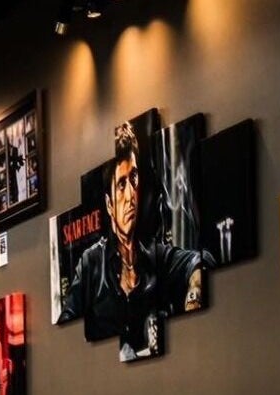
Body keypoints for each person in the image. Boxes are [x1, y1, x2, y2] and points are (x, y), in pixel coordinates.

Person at [63, 120, 212, 360]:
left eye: (133, 178)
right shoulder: (91, 264)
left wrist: (194, 291)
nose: (131, 195)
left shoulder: (156, 256)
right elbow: (65, 328)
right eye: (121, 185)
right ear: (110, 205)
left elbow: (198, 262)